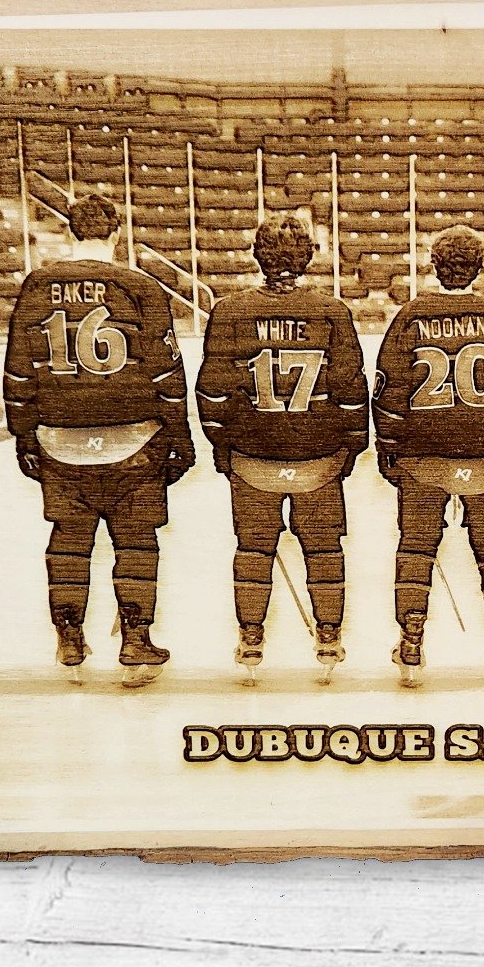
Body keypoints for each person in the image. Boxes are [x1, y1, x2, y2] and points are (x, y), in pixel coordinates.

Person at [3, 192, 194, 686]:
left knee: (68, 542)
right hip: (135, 444)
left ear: (70, 230)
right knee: (135, 544)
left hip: (60, 444)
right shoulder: (140, 286)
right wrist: (181, 440)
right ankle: (135, 640)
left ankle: (69, 634)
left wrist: (25, 437)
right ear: (116, 232)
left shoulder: (36, 285)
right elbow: (167, 376)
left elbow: (19, 374)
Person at [195, 215, 369, 683]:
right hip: (318, 458)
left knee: (252, 551)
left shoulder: (229, 312)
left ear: (258, 255)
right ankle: (329, 635)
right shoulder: (332, 312)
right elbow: (352, 390)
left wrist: (221, 444)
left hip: (253, 460)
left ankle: (251, 638)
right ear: (307, 258)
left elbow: (212, 393)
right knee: (325, 551)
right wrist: (351, 447)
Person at [373, 226, 484, 685]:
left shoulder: (410, 316)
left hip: (424, 460)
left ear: (433, 264)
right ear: (480, 266)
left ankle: (411, 639)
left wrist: (390, 453)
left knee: (416, 547)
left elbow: (387, 397)